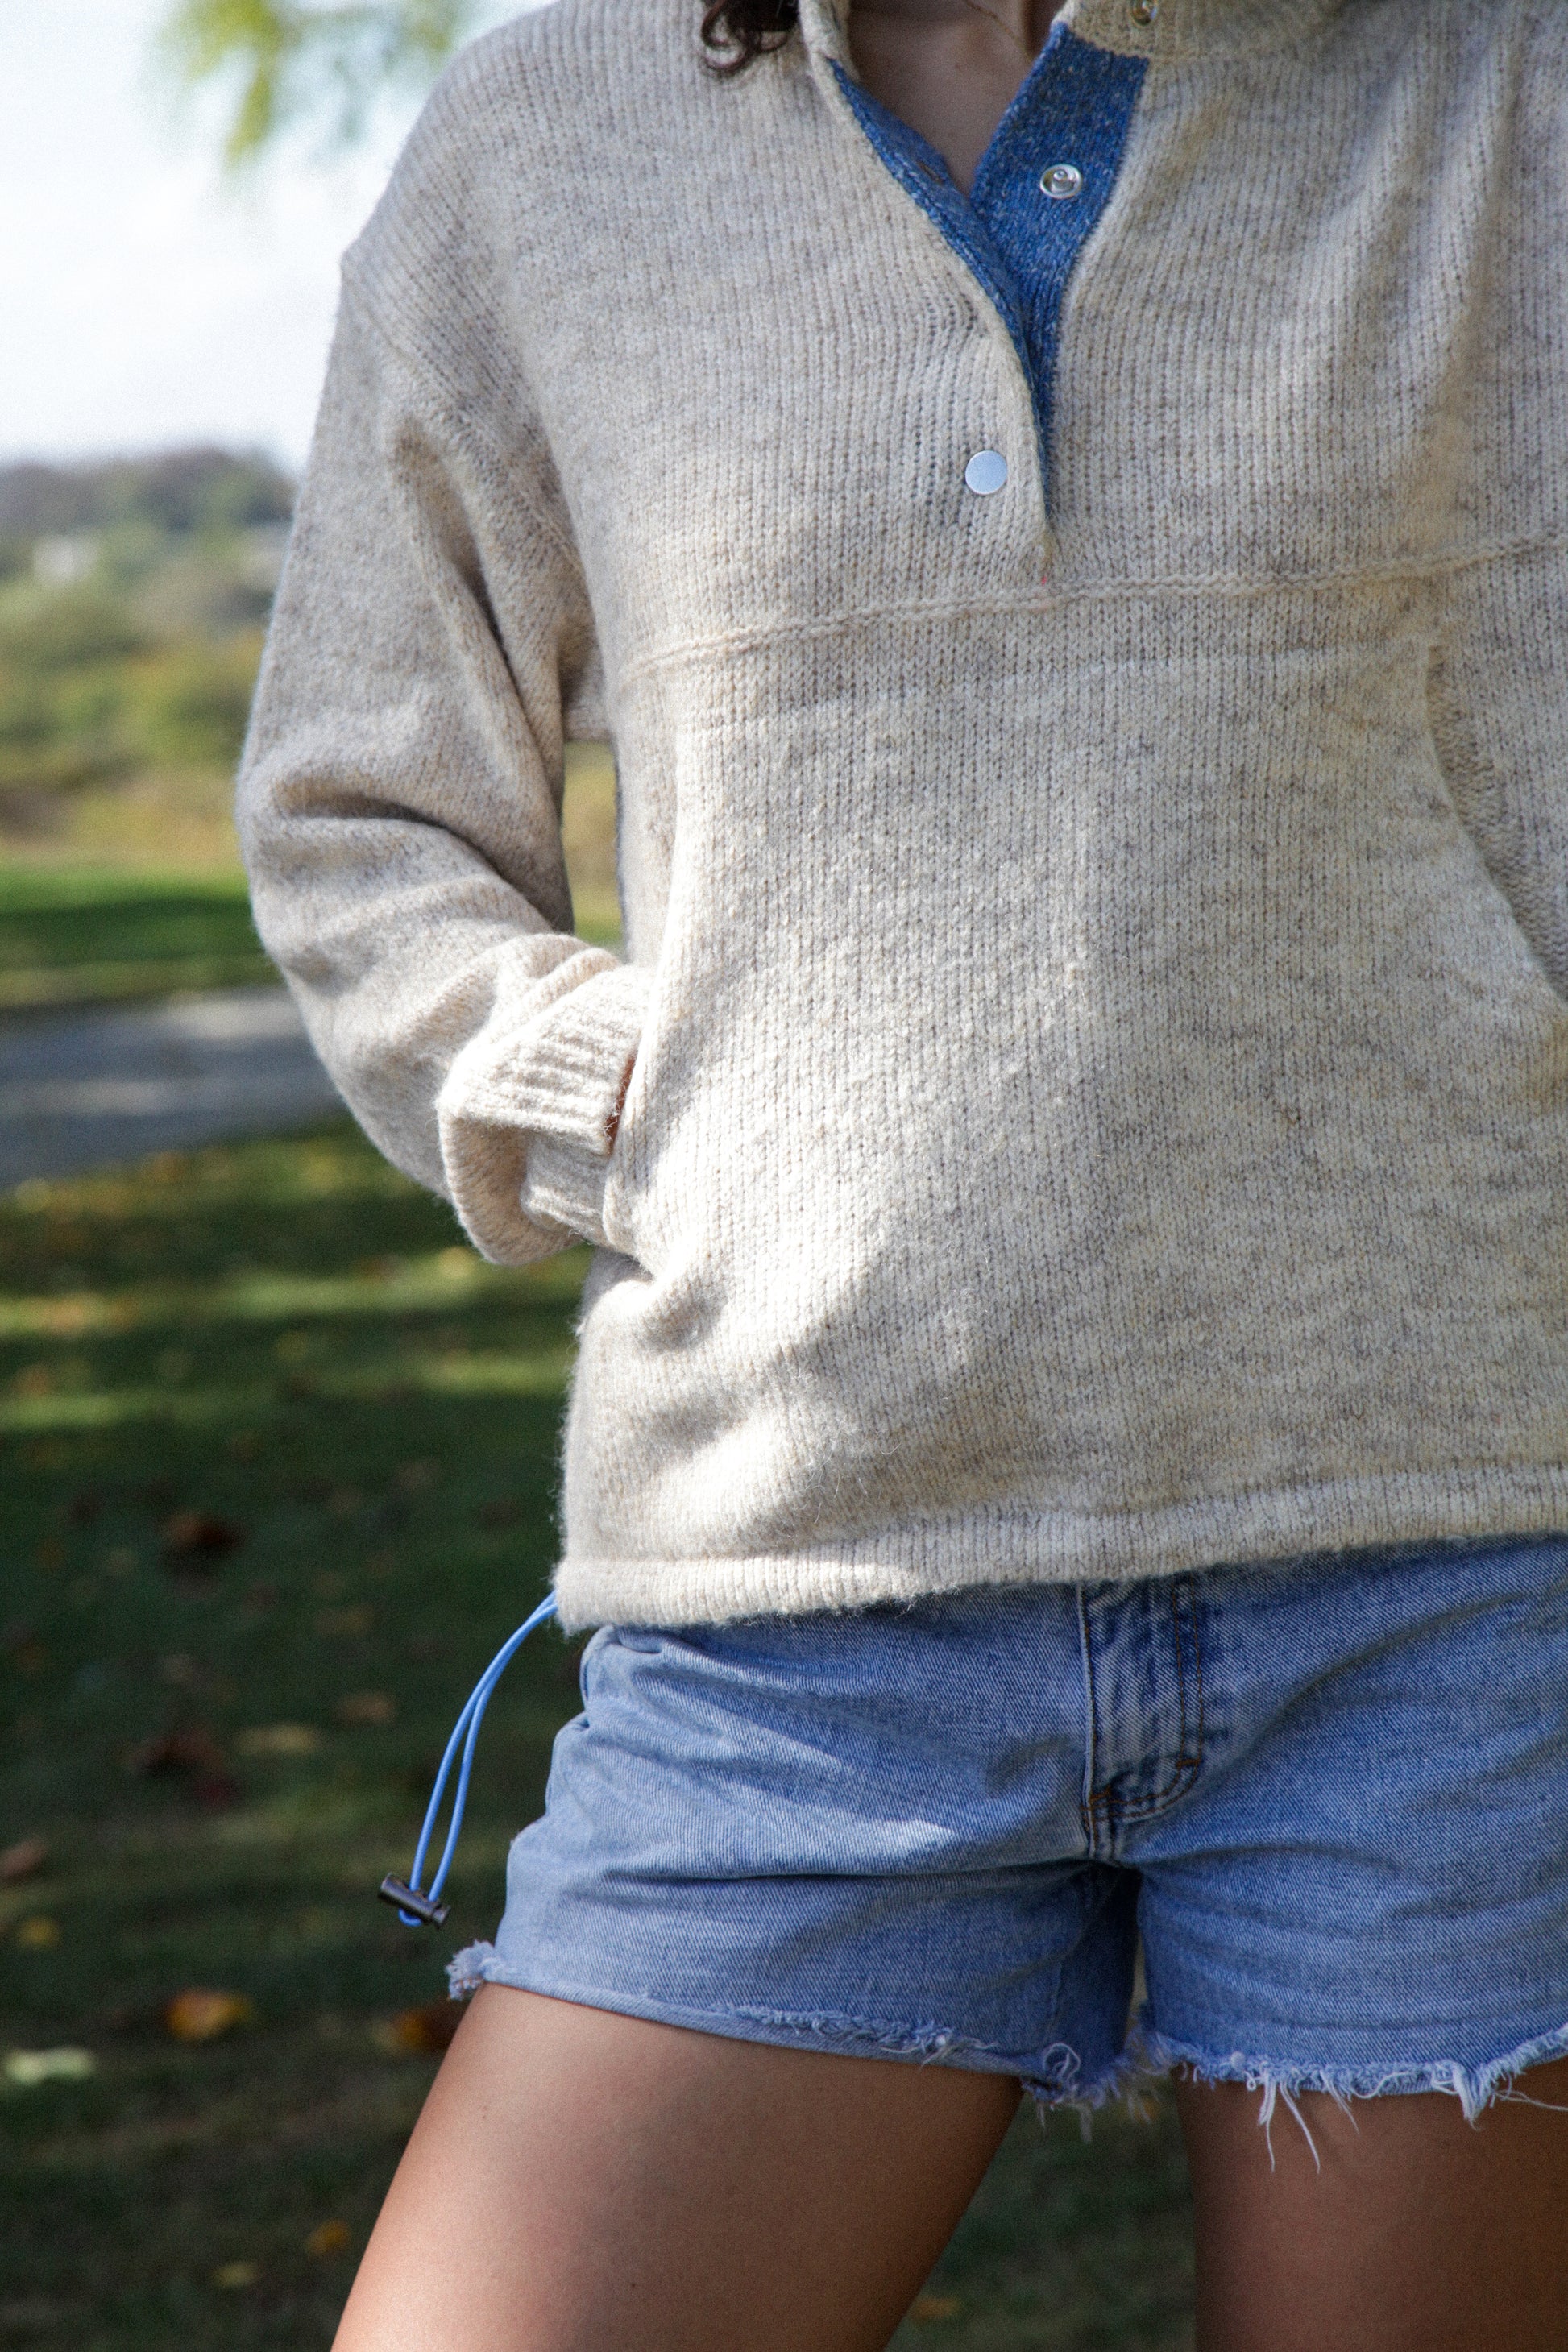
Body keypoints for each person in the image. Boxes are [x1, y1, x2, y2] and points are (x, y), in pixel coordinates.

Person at [237, 0, 1568, 2342]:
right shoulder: (544, 142)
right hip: (797, 1584)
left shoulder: (1501, 79)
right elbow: (361, 812)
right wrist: (636, 1090)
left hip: (1456, 1576)